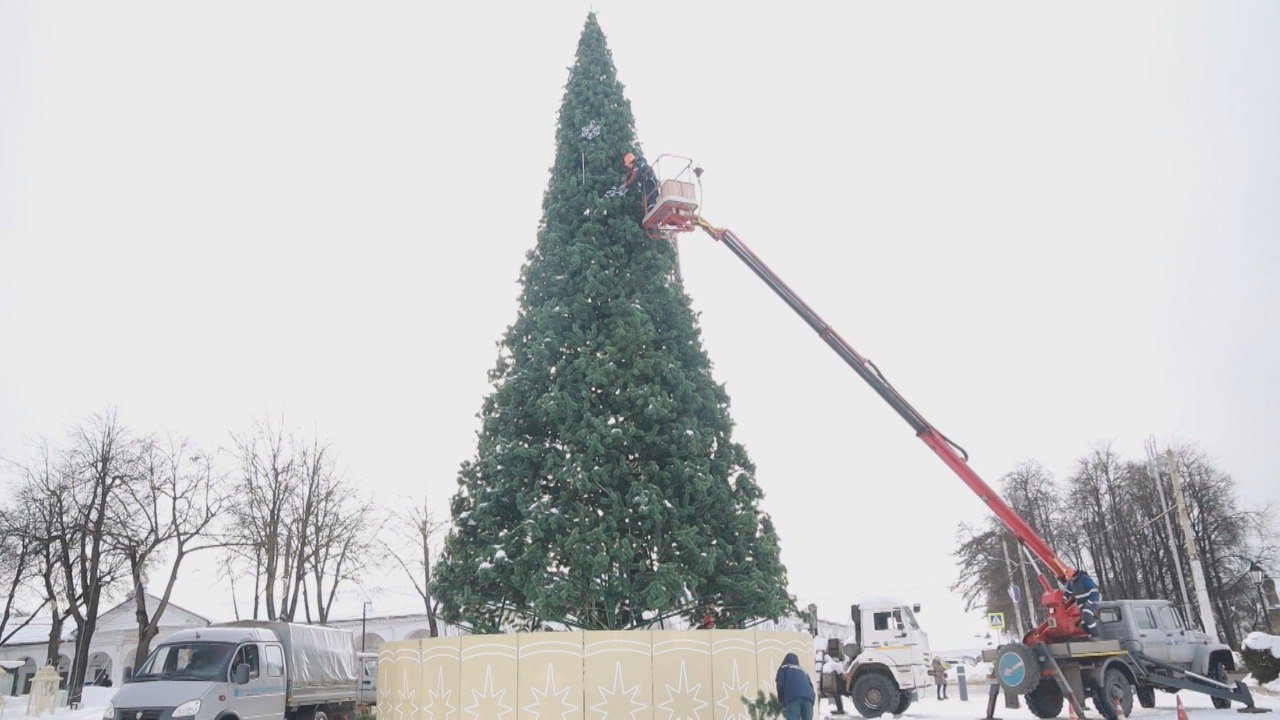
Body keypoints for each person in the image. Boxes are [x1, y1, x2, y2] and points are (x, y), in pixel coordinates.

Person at [776, 652, 815, 720]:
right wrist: (812, 701)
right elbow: (811, 686)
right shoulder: (803, 670)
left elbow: (780, 684)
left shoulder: (784, 668)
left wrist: (781, 700)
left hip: (792, 697)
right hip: (808, 699)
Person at [1065, 568, 1101, 637]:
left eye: (1070, 578)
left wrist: (1089, 602)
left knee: (1087, 615)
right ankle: (1089, 635)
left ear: (1073, 575)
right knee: (1083, 622)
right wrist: (1063, 599)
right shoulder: (1071, 581)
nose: (1070, 580)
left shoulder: (1084, 578)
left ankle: (1096, 636)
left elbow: (1094, 591)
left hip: (1092, 600)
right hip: (1081, 603)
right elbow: (1068, 591)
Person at [821, 648, 851, 715]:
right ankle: (840, 709)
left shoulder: (832, 663)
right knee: (837, 694)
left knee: (837, 694)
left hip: (839, 680)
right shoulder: (838, 662)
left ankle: (840, 710)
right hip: (840, 679)